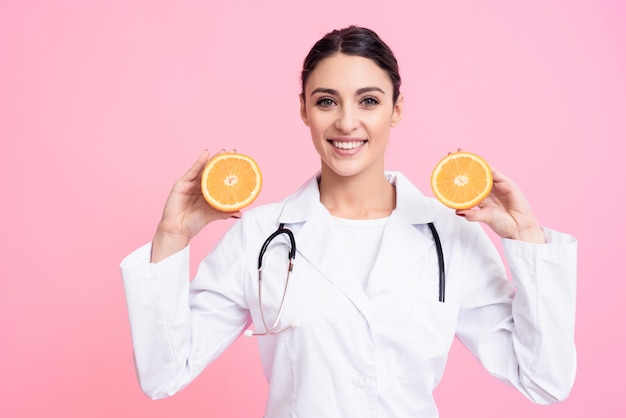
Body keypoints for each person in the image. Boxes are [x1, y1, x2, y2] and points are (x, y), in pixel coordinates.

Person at [120, 26, 577, 417]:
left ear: (396, 109)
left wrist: (528, 243)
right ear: (304, 110)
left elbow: (544, 381)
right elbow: (164, 374)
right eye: (326, 102)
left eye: (369, 100)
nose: (346, 122)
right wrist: (171, 238)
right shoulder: (260, 236)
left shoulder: (449, 236)